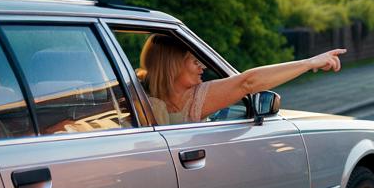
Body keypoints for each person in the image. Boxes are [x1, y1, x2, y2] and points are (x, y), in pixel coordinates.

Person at [137, 34, 345, 124]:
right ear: (172, 65)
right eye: (195, 62)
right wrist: (309, 63)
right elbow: (248, 82)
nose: (204, 67)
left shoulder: (134, 96)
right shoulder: (191, 101)